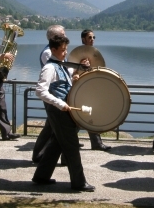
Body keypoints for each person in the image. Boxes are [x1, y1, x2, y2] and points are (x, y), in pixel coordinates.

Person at [32, 34, 94, 191]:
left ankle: (41, 176)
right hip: (58, 111)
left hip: (62, 110)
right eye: (62, 50)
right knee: (72, 146)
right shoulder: (49, 67)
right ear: (53, 50)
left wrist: (77, 74)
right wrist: (60, 103)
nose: (65, 52)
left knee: (56, 144)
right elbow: (40, 91)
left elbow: (64, 84)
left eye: (66, 49)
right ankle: (79, 182)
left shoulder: (61, 65)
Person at [33, 25, 68, 163]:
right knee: (51, 127)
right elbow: (57, 70)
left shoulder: (58, 51)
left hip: (59, 95)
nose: (65, 36)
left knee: (52, 127)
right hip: (53, 95)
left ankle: (44, 156)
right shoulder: (49, 53)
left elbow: (64, 69)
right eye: (63, 34)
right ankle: (39, 155)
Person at [80, 29, 111, 151]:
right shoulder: (79, 54)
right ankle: (96, 143)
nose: (92, 39)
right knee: (82, 117)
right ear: (83, 39)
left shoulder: (94, 53)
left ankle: (96, 142)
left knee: (88, 116)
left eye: (93, 37)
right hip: (83, 88)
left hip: (92, 88)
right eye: (89, 37)